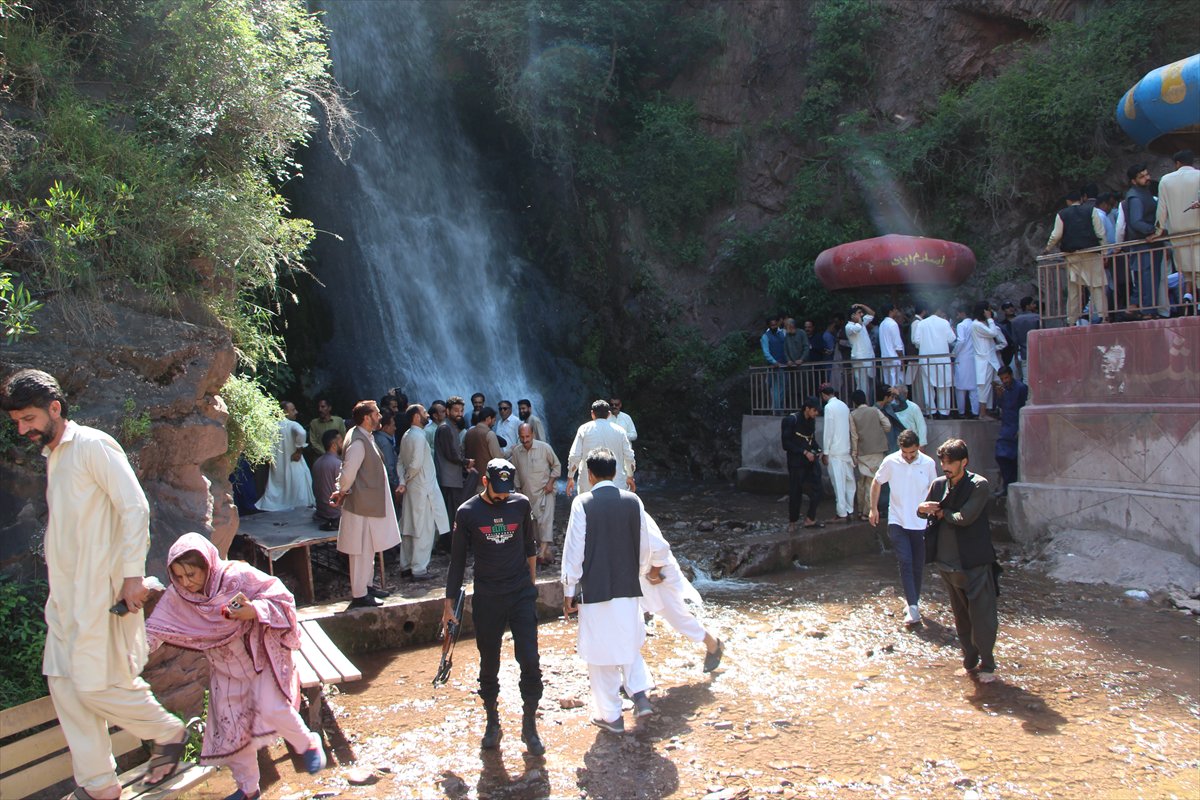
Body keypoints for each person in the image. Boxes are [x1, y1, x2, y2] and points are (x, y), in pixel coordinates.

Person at [0, 369, 188, 799]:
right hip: (65, 597)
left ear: (54, 408)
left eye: (28, 418)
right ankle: (99, 785)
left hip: (99, 594)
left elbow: (134, 507)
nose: (23, 429)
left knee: (94, 684)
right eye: (17, 422)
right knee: (64, 683)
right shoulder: (55, 456)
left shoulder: (92, 445)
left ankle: (167, 731)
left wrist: (132, 577)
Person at [145, 534, 326, 800]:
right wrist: (130, 653)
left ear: (207, 564)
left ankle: (308, 744)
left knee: (273, 707)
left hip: (258, 660)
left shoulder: (236, 575)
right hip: (225, 672)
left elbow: (282, 597)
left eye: (191, 574)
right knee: (234, 732)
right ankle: (248, 789)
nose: (186, 583)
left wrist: (254, 610)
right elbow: (155, 630)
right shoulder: (178, 597)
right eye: (179, 576)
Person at [562, 448, 668, 733]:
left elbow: (574, 551)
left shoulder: (582, 503)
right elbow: (645, 545)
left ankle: (611, 717)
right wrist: (639, 573)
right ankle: (639, 692)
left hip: (595, 588)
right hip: (628, 585)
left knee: (599, 653)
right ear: (616, 472)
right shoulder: (633, 502)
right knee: (628, 639)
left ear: (590, 474)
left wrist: (569, 589)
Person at [443, 459, 544, 755]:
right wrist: (448, 605)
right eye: (497, 491)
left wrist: (531, 585)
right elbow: (457, 561)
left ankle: (529, 725)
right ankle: (492, 722)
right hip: (488, 596)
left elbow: (529, 546)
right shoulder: (468, 513)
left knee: (530, 659)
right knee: (489, 662)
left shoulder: (520, 504)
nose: (502, 498)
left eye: (506, 492)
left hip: (520, 593)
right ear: (486, 482)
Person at [918, 438, 1001, 683]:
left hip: (974, 561)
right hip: (946, 563)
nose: (946, 466)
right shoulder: (938, 484)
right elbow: (923, 510)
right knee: (961, 617)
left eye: (951, 462)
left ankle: (987, 665)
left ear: (964, 462)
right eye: (943, 461)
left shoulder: (979, 485)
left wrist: (942, 512)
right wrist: (923, 508)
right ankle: (969, 661)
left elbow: (965, 517)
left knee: (982, 617)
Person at [331, 400, 402, 607]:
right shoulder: (358, 442)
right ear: (367, 417)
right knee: (360, 550)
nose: (380, 417)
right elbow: (348, 473)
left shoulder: (363, 437)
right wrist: (341, 490)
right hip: (361, 505)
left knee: (368, 548)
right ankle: (360, 594)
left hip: (367, 504)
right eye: (377, 413)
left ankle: (367, 587)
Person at [869, 430, 939, 627]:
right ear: (900, 449)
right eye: (905, 453)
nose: (909, 457)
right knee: (905, 561)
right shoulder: (891, 461)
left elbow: (934, 489)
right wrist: (873, 509)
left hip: (921, 522)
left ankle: (913, 603)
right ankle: (914, 607)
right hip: (897, 519)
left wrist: (935, 514)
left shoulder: (928, 463)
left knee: (918, 564)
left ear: (918, 448)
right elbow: (877, 481)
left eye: (913, 453)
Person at [640, 515, 723, 671]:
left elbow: (661, 548)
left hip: (658, 573)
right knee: (630, 621)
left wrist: (654, 573)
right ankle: (635, 677)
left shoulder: (633, 510)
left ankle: (713, 644)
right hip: (638, 576)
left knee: (677, 618)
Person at [399, 404, 450, 580]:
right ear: (415, 417)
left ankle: (405, 565)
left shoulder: (406, 435)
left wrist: (402, 481)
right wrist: (405, 480)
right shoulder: (419, 437)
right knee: (424, 528)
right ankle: (419, 569)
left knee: (409, 526)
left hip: (412, 488)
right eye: (424, 412)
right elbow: (415, 464)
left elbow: (400, 462)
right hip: (423, 488)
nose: (427, 415)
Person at [1044, 189, 1106, 325]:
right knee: (1096, 285)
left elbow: (1056, 234)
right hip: (1091, 252)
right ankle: (1103, 315)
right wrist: (1104, 251)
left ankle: (1071, 319)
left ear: (1068, 201)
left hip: (1072, 255)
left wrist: (1047, 248)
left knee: (1074, 288)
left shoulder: (1062, 214)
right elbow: (1100, 232)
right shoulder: (1091, 211)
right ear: (1082, 199)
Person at [510, 422, 562, 565]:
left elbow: (557, 466)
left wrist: (551, 483)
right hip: (527, 494)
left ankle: (540, 553)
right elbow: (514, 472)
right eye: (522, 437)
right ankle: (546, 553)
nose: (525, 440)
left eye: (527, 436)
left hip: (545, 491)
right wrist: (518, 490)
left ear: (533, 434)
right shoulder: (516, 451)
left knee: (545, 522)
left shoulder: (544, 448)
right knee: (533, 525)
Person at [1156, 149, 1200, 310]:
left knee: (1187, 270)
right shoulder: (1199, 176)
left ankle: (1189, 297)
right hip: (1198, 231)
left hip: (1178, 233)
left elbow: (1161, 210)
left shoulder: (1165, 180)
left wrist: (1158, 231)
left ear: (1177, 164)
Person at [565, 400, 636, 496]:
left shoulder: (584, 429)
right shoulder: (620, 431)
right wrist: (630, 476)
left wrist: (570, 477)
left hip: (589, 482)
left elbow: (575, 456)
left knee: (589, 509)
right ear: (609, 414)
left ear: (592, 414)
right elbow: (629, 456)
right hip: (616, 481)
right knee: (615, 510)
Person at [256, 400, 315, 512]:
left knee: (279, 487)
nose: (296, 412)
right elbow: (302, 433)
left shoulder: (271, 426)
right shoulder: (291, 424)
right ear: (284, 412)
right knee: (298, 489)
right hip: (293, 462)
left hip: (278, 465)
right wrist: (299, 450)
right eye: (292, 410)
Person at [1122, 164, 1165, 317]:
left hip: (1148, 243)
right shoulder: (1135, 196)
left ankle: (1143, 308)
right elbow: (1136, 221)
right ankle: (1147, 311)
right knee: (1147, 277)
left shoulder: (1141, 193)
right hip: (1144, 243)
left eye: (1147, 174)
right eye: (1142, 176)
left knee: (1148, 277)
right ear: (1134, 181)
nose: (1147, 178)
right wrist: (1154, 231)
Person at [781, 397, 824, 531]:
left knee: (818, 488)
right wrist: (804, 452)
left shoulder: (811, 421)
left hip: (810, 461)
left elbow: (811, 439)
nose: (816, 414)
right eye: (814, 411)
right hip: (796, 463)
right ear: (807, 408)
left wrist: (818, 450)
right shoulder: (791, 420)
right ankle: (792, 522)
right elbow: (786, 444)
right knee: (795, 492)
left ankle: (810, 518)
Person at [849, 388, 891, 522]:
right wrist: (878, 433)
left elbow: (854, 436)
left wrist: (854, 454)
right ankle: (867, 511)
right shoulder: (875, 410)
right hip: (878, 451)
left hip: (863, 452)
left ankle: (862, 510)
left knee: (862, 482)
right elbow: (887, 425)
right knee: (873, 481)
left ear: (854, 402)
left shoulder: (853, 414)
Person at [435, 396, 473, 542]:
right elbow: (450, 454)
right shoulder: (445, 428)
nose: (460, 414)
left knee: (452, 512)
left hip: (451, 477)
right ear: (448, 410)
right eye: (456, 410)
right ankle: (451, 544)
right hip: (448, 479)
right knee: (451, 513)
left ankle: (452, 543)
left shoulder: (450, 427)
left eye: (462, 410)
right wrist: (466, 462)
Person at [912, 304, 956, 418]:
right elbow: (952, 339)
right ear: (938, 310)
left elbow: (916, 340)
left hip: (926, 359)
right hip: (942, 359)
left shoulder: (922, 324)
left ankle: (931, 411)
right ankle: (944, 412)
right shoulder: (944, 323)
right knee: (944, 385)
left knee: (928, 386)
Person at [819, 383, 855, 523]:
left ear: (823, 395)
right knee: (849, 482)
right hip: (845, 449)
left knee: (838, 483)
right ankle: (850, 509)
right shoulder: (844, 406)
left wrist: (826, 451)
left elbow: (829, 431)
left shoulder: (829, 407)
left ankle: (841, 513)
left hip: (834, 450)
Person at [993, 366, 1028, 497]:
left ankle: (1009, 486)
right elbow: (1001, 406)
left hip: (1015, 427)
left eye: (1006, 378)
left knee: (1012, 458)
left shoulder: (1020, 388)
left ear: (1011, 375)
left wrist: (1021, 428)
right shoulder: (1003, 389)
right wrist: (999, 396)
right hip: (1006, 428)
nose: (1005, 381)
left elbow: (1023, 408)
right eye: (1002, 379)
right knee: (1001, 456)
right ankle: (1007, 484)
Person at [970, 302, 1004, 418]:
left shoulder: (981, 324)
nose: (990, 312)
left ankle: (990, 411)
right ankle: (982, 413)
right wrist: (990, 319)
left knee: (993, 385)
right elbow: (993, 333)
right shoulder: (977, 325)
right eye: (988, 310)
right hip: (984, 361)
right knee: (983, 387)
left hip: (990, 360)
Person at [464, 406, 503, 495]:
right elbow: (498, 458)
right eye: (494, 420)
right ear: (488, 419)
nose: (494, 422)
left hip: (471, 480)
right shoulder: (489, 434)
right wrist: (510, 452)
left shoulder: (469, 433)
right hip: (485, 481)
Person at [312, 429, 343, 531]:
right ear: (334, 445)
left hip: (321, 510)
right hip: (334, 512)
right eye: (341, 442)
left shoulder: (317, 462)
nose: (343, 445)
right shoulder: (337, 464)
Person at [952, 305, 978, 418]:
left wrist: (954, 353)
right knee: (973, 387)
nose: (957, 316)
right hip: (973, 358)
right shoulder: (975, 324)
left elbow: (961, 341)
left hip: (962, 358)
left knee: (960, 387)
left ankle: (961, 412)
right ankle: (975, 411)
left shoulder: (961, 325)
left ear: (962, 313)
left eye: (958, 313)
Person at [845, 304, 876, 398]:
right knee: (861, 384)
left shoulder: (861, 322)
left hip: (868, 357)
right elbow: (858, 328)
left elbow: (872, 314)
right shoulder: (848, 326)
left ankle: (868, 403)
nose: (861, 315)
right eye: (859, 313)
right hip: (859, 358)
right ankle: (862, 404)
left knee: (869, 383)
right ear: (852, 316)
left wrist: (860, 305)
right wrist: (859, 320)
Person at [760, 315, 788, 412]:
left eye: (775, 324)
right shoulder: (765, 337)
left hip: (784, 365)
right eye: (772, 325)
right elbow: (766, 352)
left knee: (782, 389)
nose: (774, 327)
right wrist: (774, 361)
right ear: (768, 326)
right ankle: (777, 410)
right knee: (776, 389)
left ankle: (780, 409)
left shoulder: (782, 333)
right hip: (774, 367)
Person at [1010, 298, 1040, 383]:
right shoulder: (1038, 318)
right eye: (1033, 304)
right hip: (1037, 352)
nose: (1035, 305)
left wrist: (1016, 356)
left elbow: (1015, 341)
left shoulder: (1015, 321)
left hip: (1024, 354)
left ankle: (1028, 396)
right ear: (1027, 306)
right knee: (1039, 378)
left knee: (1027, 379)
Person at [877, 305, 905, 389]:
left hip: (885, 357)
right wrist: (902, 359)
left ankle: (888, 399)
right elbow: (898, 345)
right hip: (894, 357)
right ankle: (894, 401)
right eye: (895, 310)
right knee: (895, 382)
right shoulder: (893, 324)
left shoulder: (882, 324)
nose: (896, 311)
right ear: (890, 311)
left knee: (887, 382)